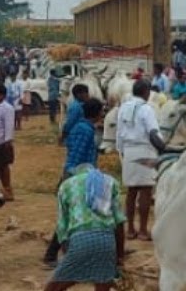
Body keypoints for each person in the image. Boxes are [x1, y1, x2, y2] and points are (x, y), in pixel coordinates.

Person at [44, 98, 105, 266]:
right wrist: (74, 178)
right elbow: (76, 157)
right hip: (78, 177)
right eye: (101, 110)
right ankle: (54, 255)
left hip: (80, 175)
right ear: (96, 113)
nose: (103, 113)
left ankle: (58, 254)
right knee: (72, 217)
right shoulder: (85, 130)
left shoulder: (83, 127)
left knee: (72, 216)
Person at [116, 80, 167, 240]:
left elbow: (119, 133)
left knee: (131, 191)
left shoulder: (123, 108)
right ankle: (143, 230)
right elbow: (153, 132)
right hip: (145, 149)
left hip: (129, 150)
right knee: (145, 190)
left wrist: (122, 152)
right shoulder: (147, 109)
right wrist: (163, 146)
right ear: (146, 92)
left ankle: (130, 229)